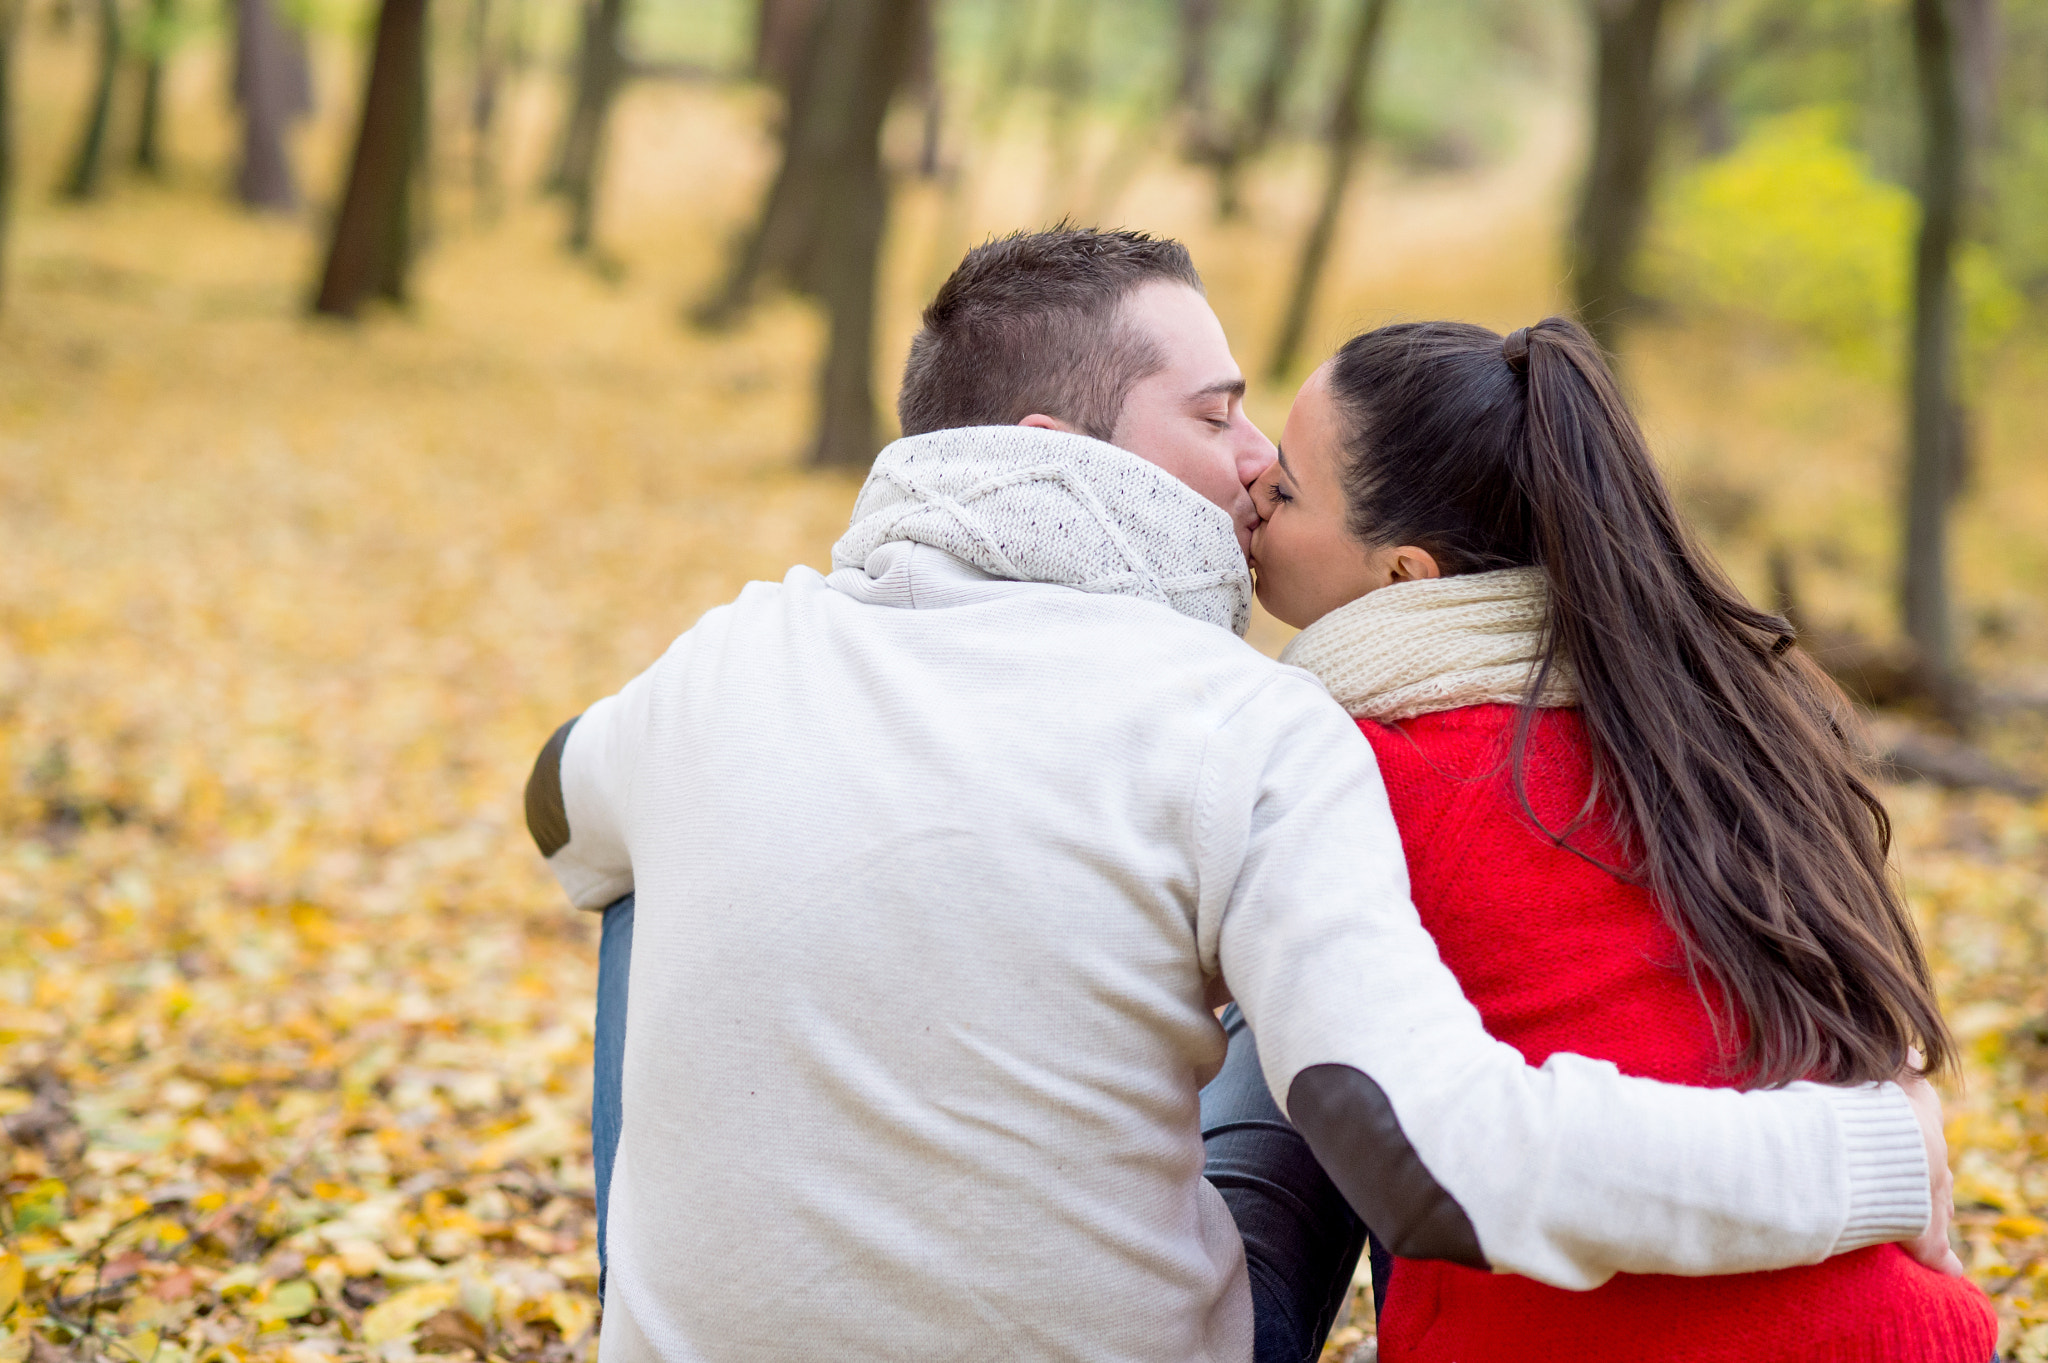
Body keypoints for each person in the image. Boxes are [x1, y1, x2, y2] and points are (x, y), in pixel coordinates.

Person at [524, 228, 1958, 1363]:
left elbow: (555, 799)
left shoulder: (724, 661)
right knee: (1319, 1019)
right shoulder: (1249, 724)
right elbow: (1440, 1150)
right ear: (1060, 447)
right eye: (1219, 413)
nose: (1259, 460)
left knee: (632, 874)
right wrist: (1874, 1147)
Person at [1243, 315, 1996, 1361]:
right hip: (1901, 1327)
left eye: (1283, 487)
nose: (1247, 492)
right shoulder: (1709, 722)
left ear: (1405, 577)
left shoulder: (1360, 771)